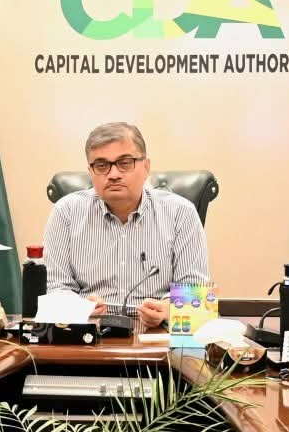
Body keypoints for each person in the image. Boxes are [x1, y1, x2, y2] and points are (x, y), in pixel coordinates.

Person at [41, 122, 210, 329]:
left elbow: (197, 295)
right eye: (101, 165)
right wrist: (79, 308)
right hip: (89, 332)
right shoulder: (65, 213)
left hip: (157, 334)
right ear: (90, 171)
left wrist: (167, 310)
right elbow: (55, 289)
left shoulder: (181, 213)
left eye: (125, 163)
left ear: (146, 167)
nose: (113, 174)